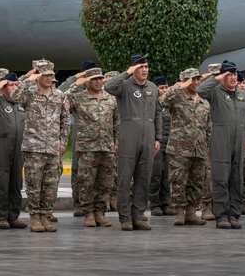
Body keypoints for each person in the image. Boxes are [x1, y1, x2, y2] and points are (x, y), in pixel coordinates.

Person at [103, 55, 162, 231]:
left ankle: (138, 216)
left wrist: (158, 138)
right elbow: (108, 87)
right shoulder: (124, 86)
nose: (144, 70)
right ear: (133, 69)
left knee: (144, 178)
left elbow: (158, 113)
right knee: (124, 178)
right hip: (128, 136)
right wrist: (127, 72)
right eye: (140, 67)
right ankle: (125, 218)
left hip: (148, 137)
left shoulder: (152, 88)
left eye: (146, 66)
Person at [13, 65, 70, 233]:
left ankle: (45, 216)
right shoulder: (29, 93)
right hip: (34, 147)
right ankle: (35, 218)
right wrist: (25, 79)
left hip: (53, 147)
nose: (49, 78)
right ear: (38, 77)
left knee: (50, 186)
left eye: (51, 75)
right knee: (34, 186)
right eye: (45, 75)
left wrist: (63, 142)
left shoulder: (59, 95)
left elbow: (65, 120)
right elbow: (15, 96)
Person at [198, 61, 245, 230]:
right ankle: (221, 215)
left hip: (239, 137)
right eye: (229, 74)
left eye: (235, 74)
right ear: (223, 76)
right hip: (221, 136)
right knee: (221, 177)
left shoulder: (243, 95)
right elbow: (200, 90)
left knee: (237, 177)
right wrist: (217, 78)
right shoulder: (215, 92)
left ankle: (234, 215)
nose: (233, 78)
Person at [64, 68, 119, 228]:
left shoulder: (110, 99)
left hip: (107, 147)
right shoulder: (78, 98)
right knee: (86, 182)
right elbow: (61, 100)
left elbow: (117, 122)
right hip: (87, 148)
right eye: (94, 79)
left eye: (100, 78)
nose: (98, 81)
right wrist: (76, 83)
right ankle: (88, 213)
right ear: (87, 81)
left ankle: (100, 213)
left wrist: (116, 142)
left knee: (105, 183)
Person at [160, 68, 211, 226]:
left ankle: (191, 212)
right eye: (191, 79)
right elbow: (162, 101)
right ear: (184, 80)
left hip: (199, 148)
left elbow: (208, 125)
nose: (195, 82)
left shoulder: (204, 100)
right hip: (179, 148)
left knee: (196, 182)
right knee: (178, 181)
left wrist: (208, 146)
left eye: (197, 79)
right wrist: (180, 86)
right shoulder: (177, 97)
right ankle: (179, 212)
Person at [0, 72, 28, 230]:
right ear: (4, 87)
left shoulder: (22, 103)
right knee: (2, 181)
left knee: (16, 181)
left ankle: (13, 216)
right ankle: (1, 217)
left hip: (19, 145)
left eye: (16, 85)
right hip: (1, 143)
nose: (14, 88)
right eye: (11, 85)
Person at [149, 76, 173, 216]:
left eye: (166, 87)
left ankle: (166, 203)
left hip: (170, 144)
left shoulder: (171, 105)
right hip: (157, 144)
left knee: (167, 176)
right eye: (161, 87)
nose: (164, 90)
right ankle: (155, 204)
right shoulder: (153, 103)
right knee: (156, 175)